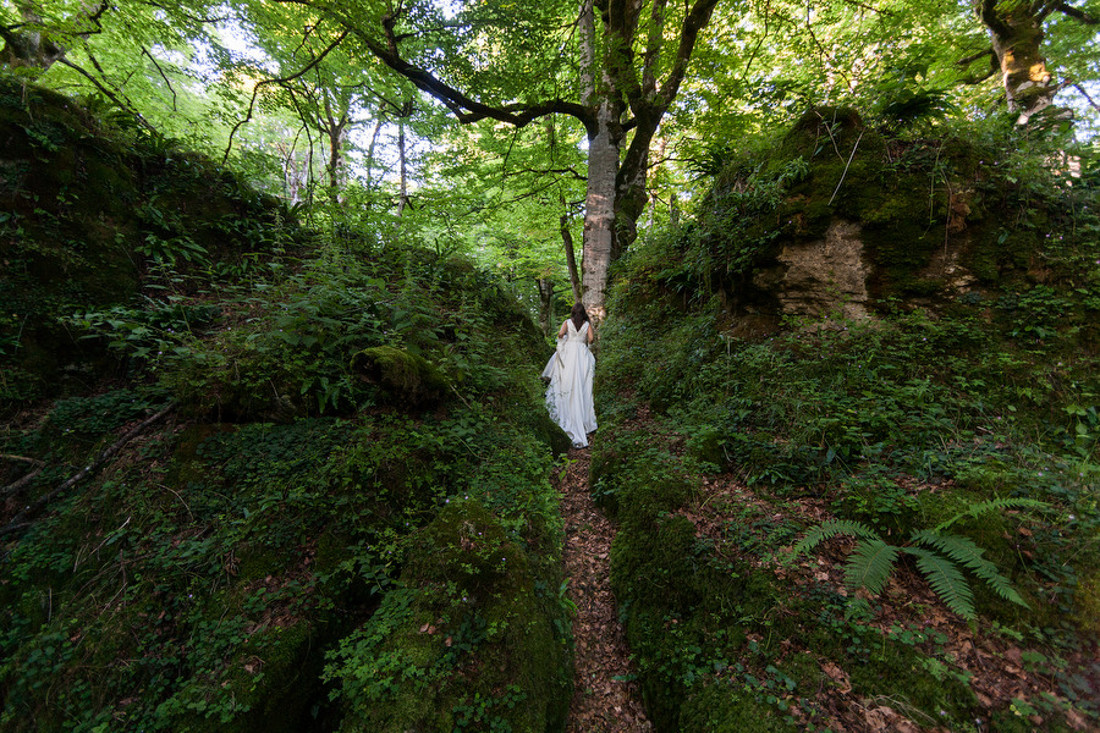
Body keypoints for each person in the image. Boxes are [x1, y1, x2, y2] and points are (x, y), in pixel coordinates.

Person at [541, 303, 597, 448]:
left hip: (569, 353)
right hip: (581, 355)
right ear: (583, 313)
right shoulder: (586, 324)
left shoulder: (567, 322)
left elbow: (560, 335)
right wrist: (583, 341)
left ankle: (566, 410)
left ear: (573, 312)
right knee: (581, 385)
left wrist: (565, 338)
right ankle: (583, 420)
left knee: (566, 382)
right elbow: (591, 340)